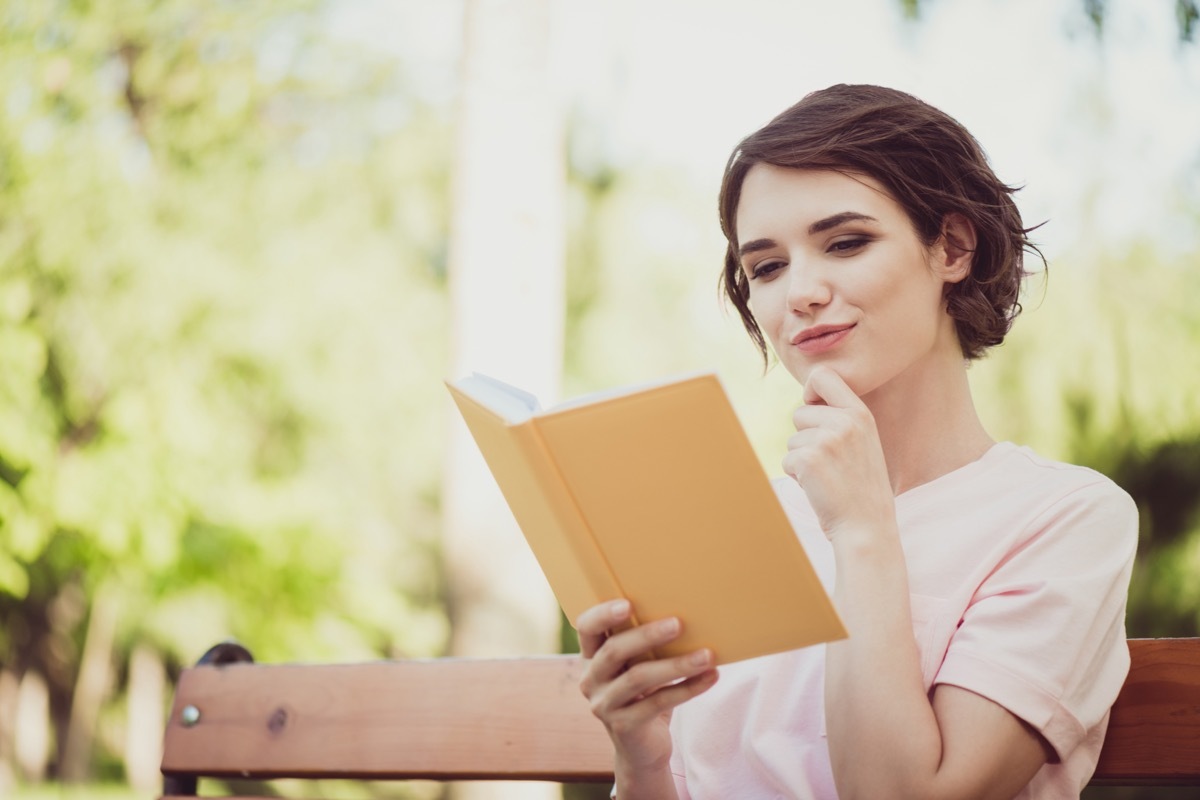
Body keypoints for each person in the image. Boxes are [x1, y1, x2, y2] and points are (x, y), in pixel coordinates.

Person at [575, 84, 1138, 800]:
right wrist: (645, 761)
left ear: (953, 248)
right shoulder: (739, 526)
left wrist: (863, 529)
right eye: (767, 267)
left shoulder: (1067, 519)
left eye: (847, 242)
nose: (800, 292)